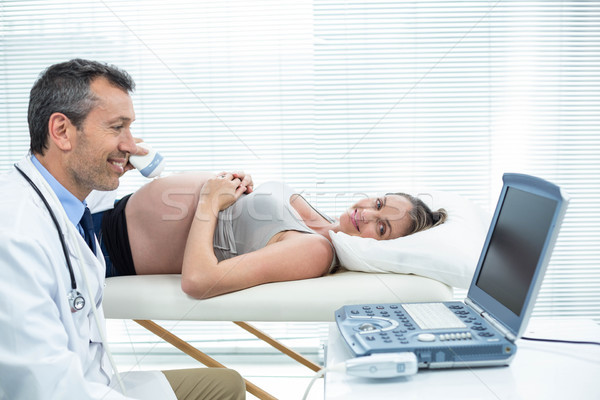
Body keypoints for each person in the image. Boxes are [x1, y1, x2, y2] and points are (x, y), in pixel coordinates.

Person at [0, 59, 245, 400]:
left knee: (227, 384)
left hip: (94, 381)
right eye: (117, 128)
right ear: (61, 131)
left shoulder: (69, 203)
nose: (132, 144)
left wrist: (112, 164)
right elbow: (44, 386)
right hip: (67, 391)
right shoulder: (14, 234)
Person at [98, 172, 447, 299]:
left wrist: (209, 201)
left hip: (108, 250)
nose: (366, 212)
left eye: (381, 226)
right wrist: (239, 187)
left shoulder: (316, 251)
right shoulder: (322, 224)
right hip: (106, 214)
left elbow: (199, 281)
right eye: (379, 203)